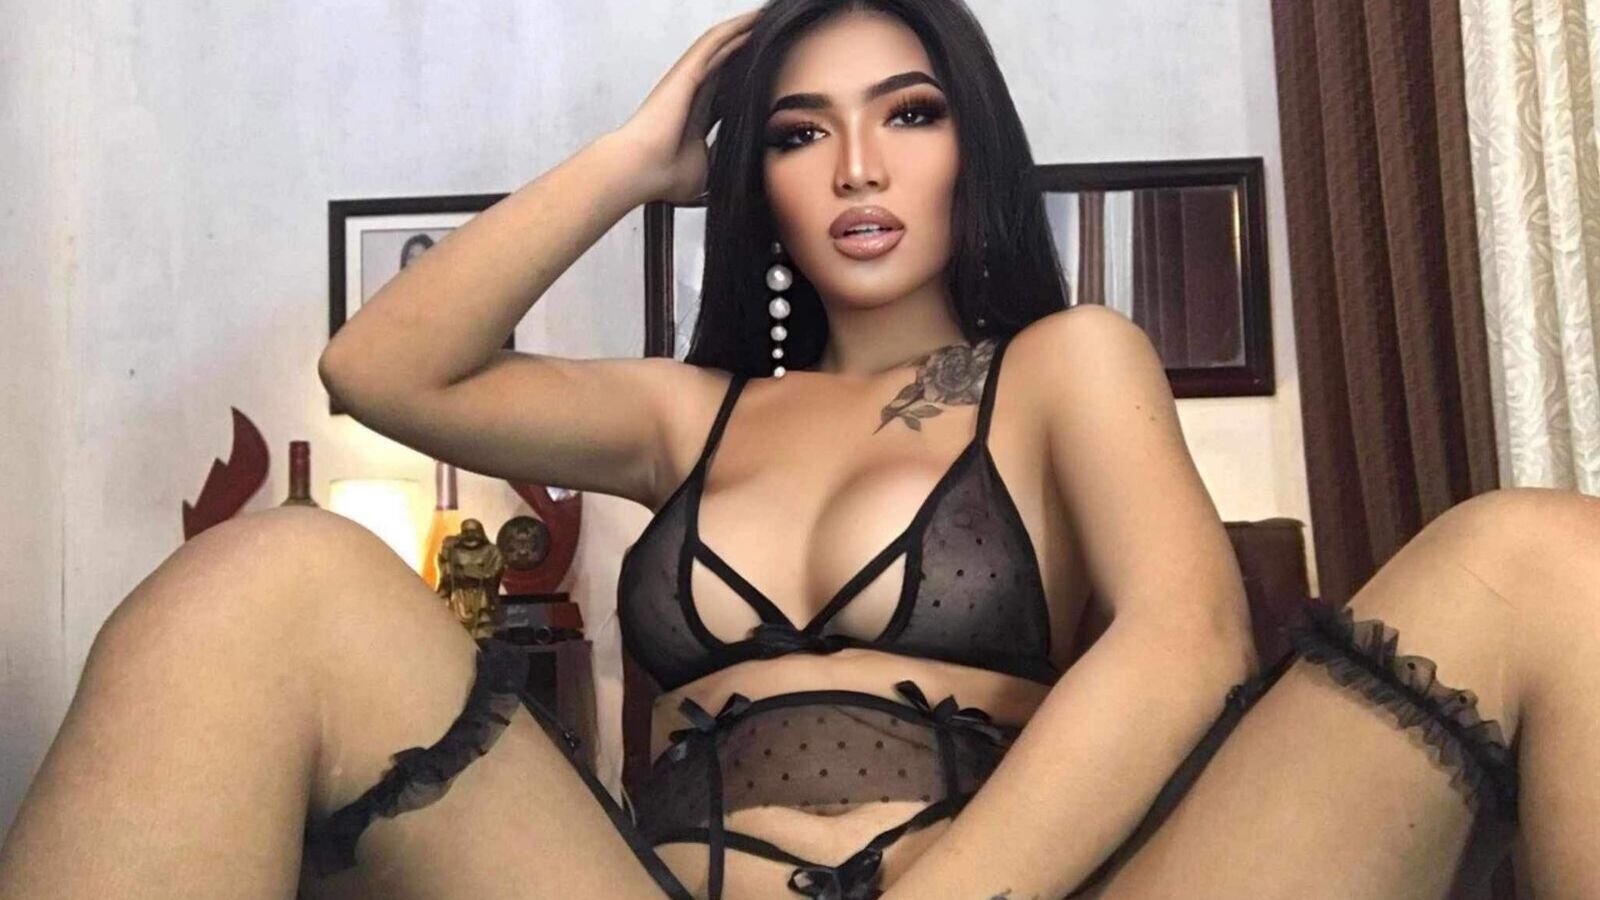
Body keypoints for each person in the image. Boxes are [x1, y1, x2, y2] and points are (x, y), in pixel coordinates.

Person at [3, 2, 1597, 898]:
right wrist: (633, 158)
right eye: (796, 130)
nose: (855, 166)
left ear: (972, 147)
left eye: (907, 113)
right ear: (751, 177)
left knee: (1545, 559)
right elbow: (376, 367)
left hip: (1000, 889)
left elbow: (1184, 643)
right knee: (266, 576)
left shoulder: (1065, 366)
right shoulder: (678, 417)